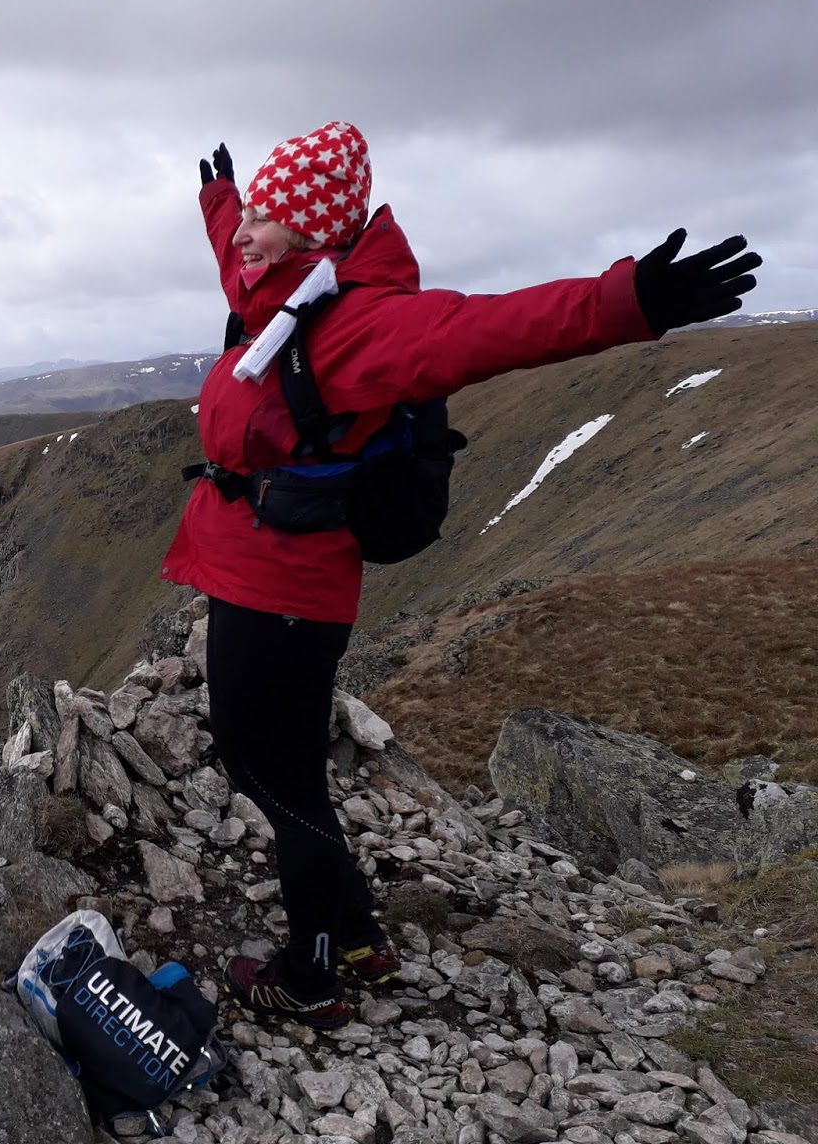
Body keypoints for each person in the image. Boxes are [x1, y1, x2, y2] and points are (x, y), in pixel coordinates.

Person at [161, 122, 760, 1029]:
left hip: (284, 588)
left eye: (265, 218)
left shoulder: (361, 324)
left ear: (313, 230)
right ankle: (358, 937)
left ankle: (311, 977)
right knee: (283, 769)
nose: (246, 233)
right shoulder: (278, 289)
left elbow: (493, 329)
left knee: (273, 776)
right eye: (249, 218)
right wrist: (222, 203)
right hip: (253, 564)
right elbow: (237, 258)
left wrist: (630, 300)